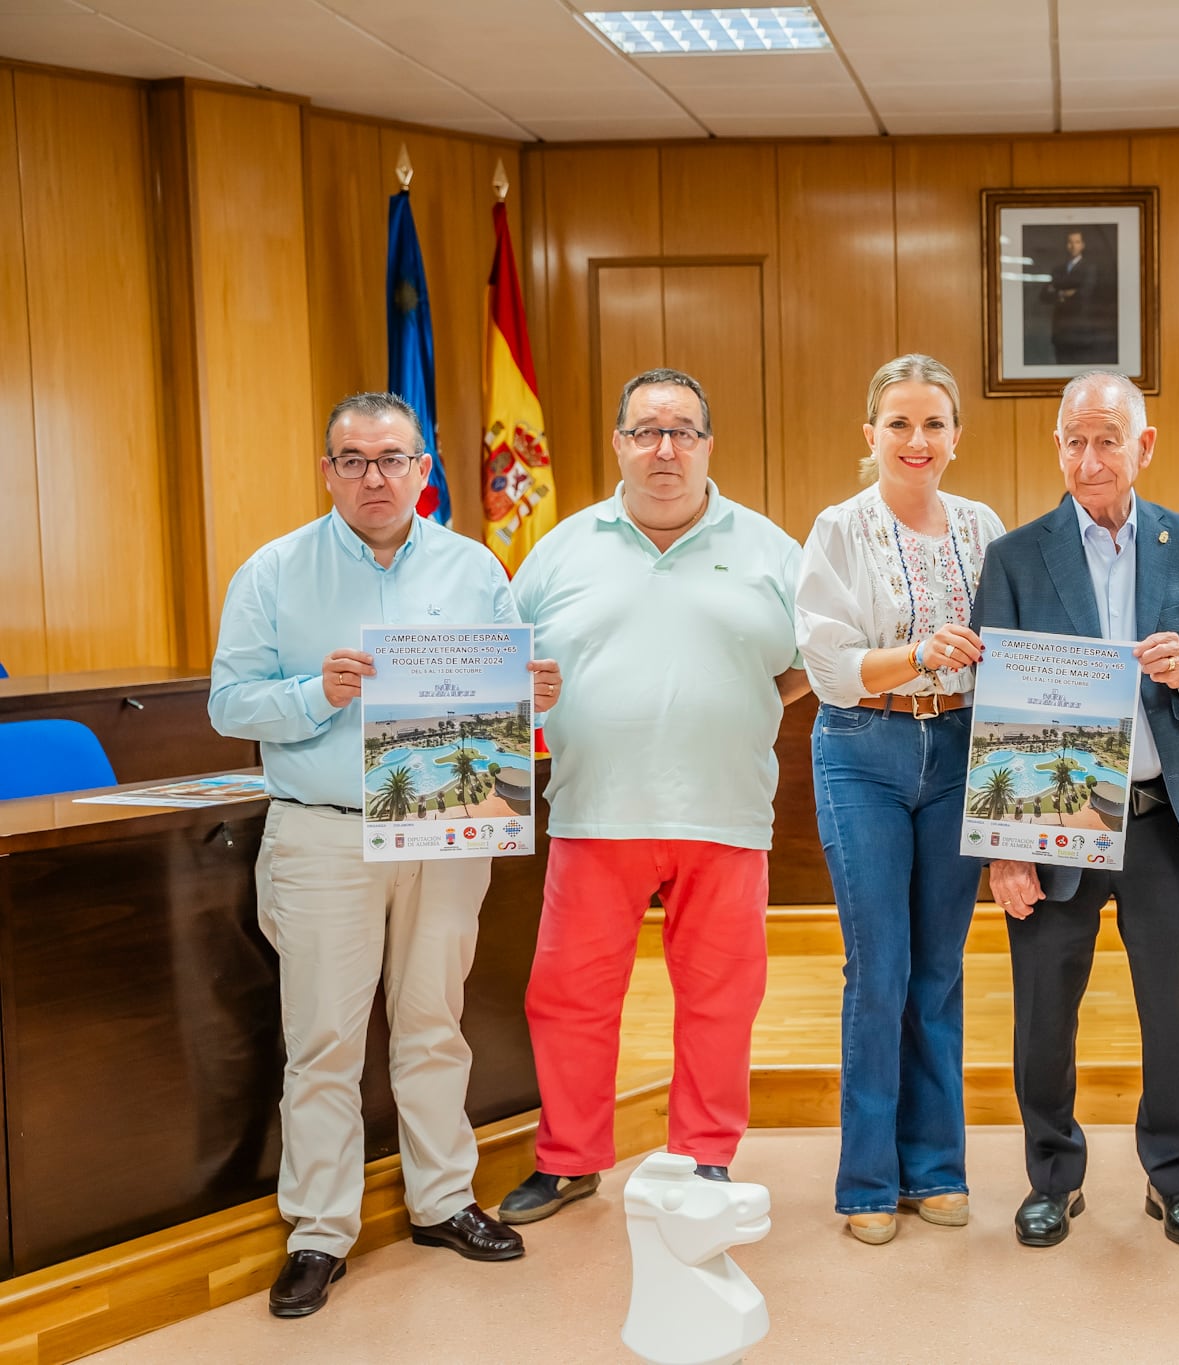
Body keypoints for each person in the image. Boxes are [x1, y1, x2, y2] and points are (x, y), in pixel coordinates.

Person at [210, 392, 557, 1318]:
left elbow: (496, 700)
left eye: (393, 458)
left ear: (423, 469)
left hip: (448, 823)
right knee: (322, 1037)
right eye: (354, 459)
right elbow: (229, 705)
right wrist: (314, 691)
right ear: (327, 471)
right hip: (326, 829)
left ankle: (443, 1198)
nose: (375, 476)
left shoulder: (474, 566)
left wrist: (532, 695)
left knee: (435, 1020)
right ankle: (320, 1230)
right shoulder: (273, 572)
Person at [498, 368, 808, 1223]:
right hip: (596, 808)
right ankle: (567, 1160)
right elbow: (501, 667)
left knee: (720, 996)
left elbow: (802, 666)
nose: (664, 448)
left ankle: (705, 1157)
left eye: (682, 431)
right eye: (645, 431)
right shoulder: (560, 548)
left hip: (724, 811)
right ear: (619, 445)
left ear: (709, 444)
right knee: (567, 992)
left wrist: (727, 701)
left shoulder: (772, 550)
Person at [973, 370, 1179, 1249]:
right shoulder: (1013, 556)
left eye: (1108, 440)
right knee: (1044, 1012)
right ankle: (1054, 1176)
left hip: (1166, 818)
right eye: (1075, 441)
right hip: (1055, 826)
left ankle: (1177, 1177)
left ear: (1143, 447)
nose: (1090, 459)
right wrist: (1003, 848)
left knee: (1176, 1016)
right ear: (1057, 447)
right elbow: (991, 710)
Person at [795, 355, 1006, 1245]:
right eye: (899, 424)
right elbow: (830, 667)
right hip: (864, 749)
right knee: (877, 969)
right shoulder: (838, 528)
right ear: (870, 434)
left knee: (939, 971)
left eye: (933, 425)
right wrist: (921, 653)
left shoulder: (985, 526)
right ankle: (867, 1182)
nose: (916, 441)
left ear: (956, 435)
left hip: (960, 749)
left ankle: (937, 1168)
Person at [1042, 229, 1111, 365]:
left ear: (1082, 245)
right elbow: (1044, 295)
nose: (1073, 246)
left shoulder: (1089, 268)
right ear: (1066, 245)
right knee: (1061, 368)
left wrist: (1057, 290)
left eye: (1077, 242)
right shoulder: (1058, 270)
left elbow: (1084, 294)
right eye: (1070, 242)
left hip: (1080, 330)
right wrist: (1063, 293)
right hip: (1060, 330)